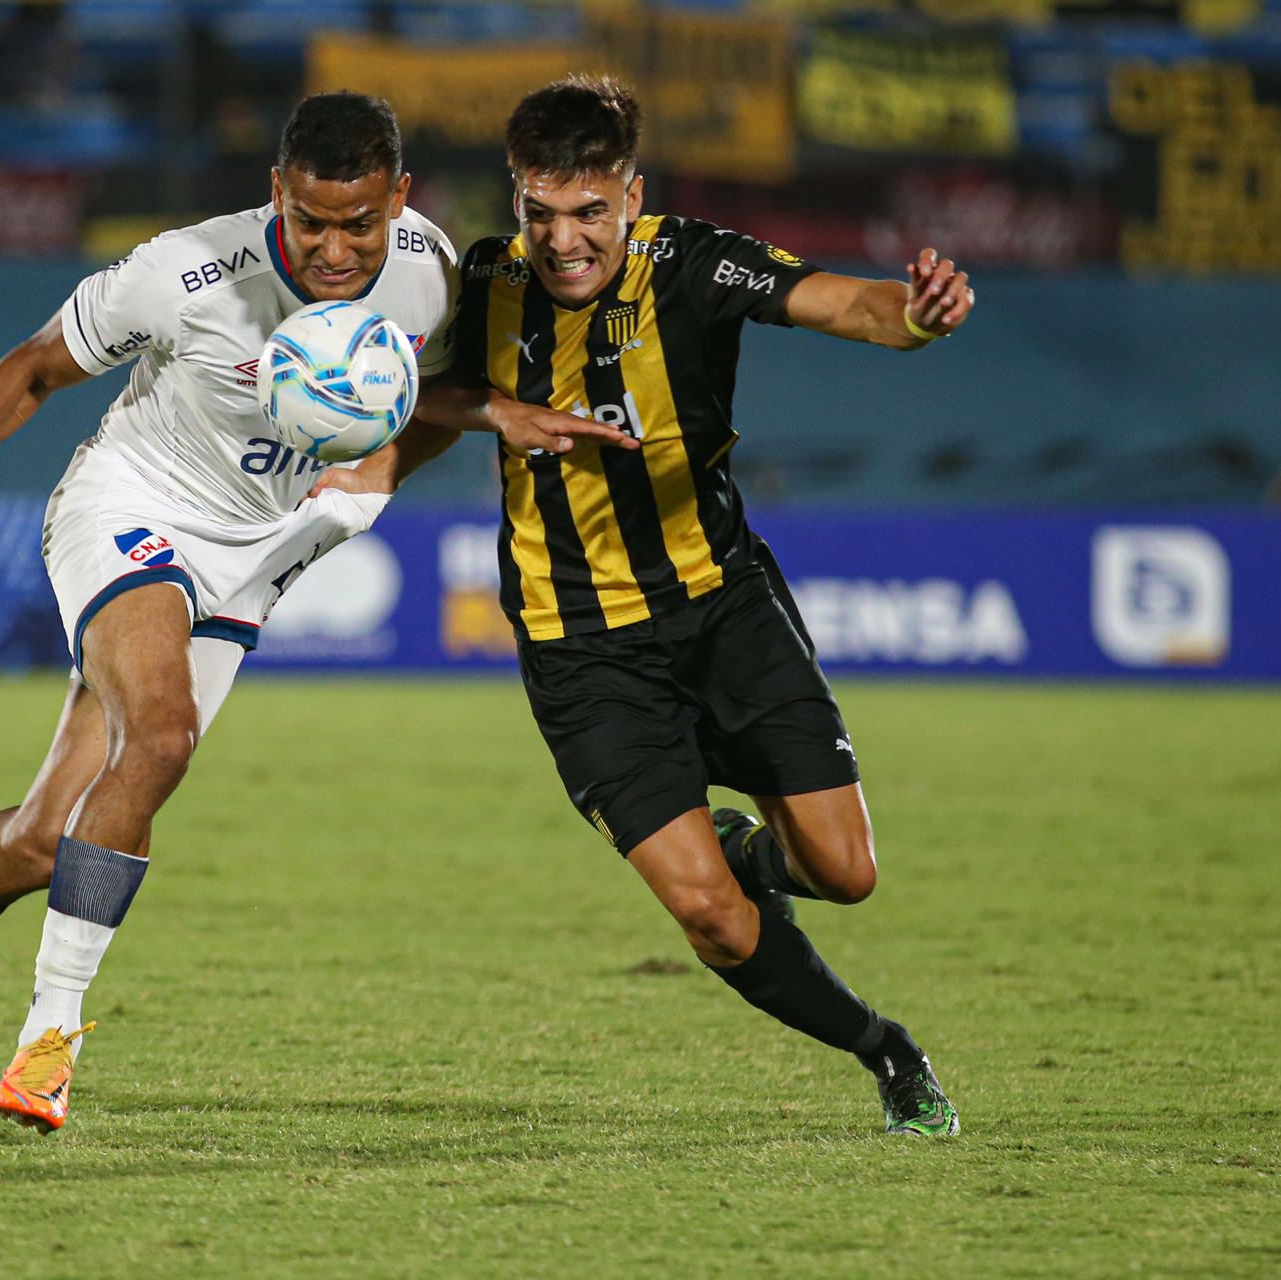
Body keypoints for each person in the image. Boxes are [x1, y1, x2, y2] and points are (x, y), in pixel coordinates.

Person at [0, 93, 611, 1132]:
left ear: (398, 199)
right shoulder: (182, 273)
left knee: (38, 845)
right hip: (130, 510)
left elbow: (404, 392)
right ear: (276, 191)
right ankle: (49, 1039)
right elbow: (32, 369)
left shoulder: (432, 272)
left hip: (249, 559)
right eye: (311, 220)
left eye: (358, 223)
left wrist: (472, 418)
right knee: (161, 736)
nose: (334, 249)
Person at [319, 76, 975, 1136]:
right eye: (540, 211)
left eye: (588, 212)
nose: (564, 239)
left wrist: (920, 314)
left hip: (723, 611)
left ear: (631, 194)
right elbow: (418, 393)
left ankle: (751, 850)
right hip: (582, 652)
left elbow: (850, 305)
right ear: (516, 196)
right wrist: (466, 423)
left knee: (842, 872)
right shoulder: (481, 281)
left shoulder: (695, 262)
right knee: (712, 916)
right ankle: (884, 1050)